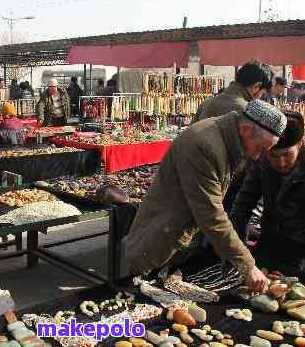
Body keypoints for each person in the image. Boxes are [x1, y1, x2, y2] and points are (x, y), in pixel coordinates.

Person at [122, 100, 287, 292]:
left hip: (181, 237)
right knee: (139, 295)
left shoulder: (227, 138)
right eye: (260, 148)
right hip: (160, 240)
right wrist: (247, 265)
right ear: (247, 129)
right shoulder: (204, 144)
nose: (258, 156)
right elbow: (210, 213)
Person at [231, 112, 305, 285]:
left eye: (287, 155)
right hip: (270, 240)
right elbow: (243, 205)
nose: (280, 163)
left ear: (300, 144)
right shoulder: (262, 160)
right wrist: (237, 250)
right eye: (274, 156)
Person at [194, 60, 273, 122]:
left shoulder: (206, 104)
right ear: (257, 86)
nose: (260, 97)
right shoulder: (247, 112)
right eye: (262, 93)